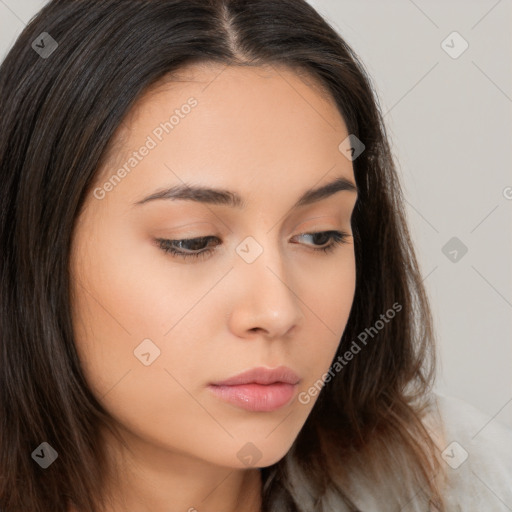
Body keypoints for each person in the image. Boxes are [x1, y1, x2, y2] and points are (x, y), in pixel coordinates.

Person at [0, 1, 510, 511]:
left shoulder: (457, 482)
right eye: (192, 241)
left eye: (319, 236)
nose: (278, 312)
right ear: (35, 247)